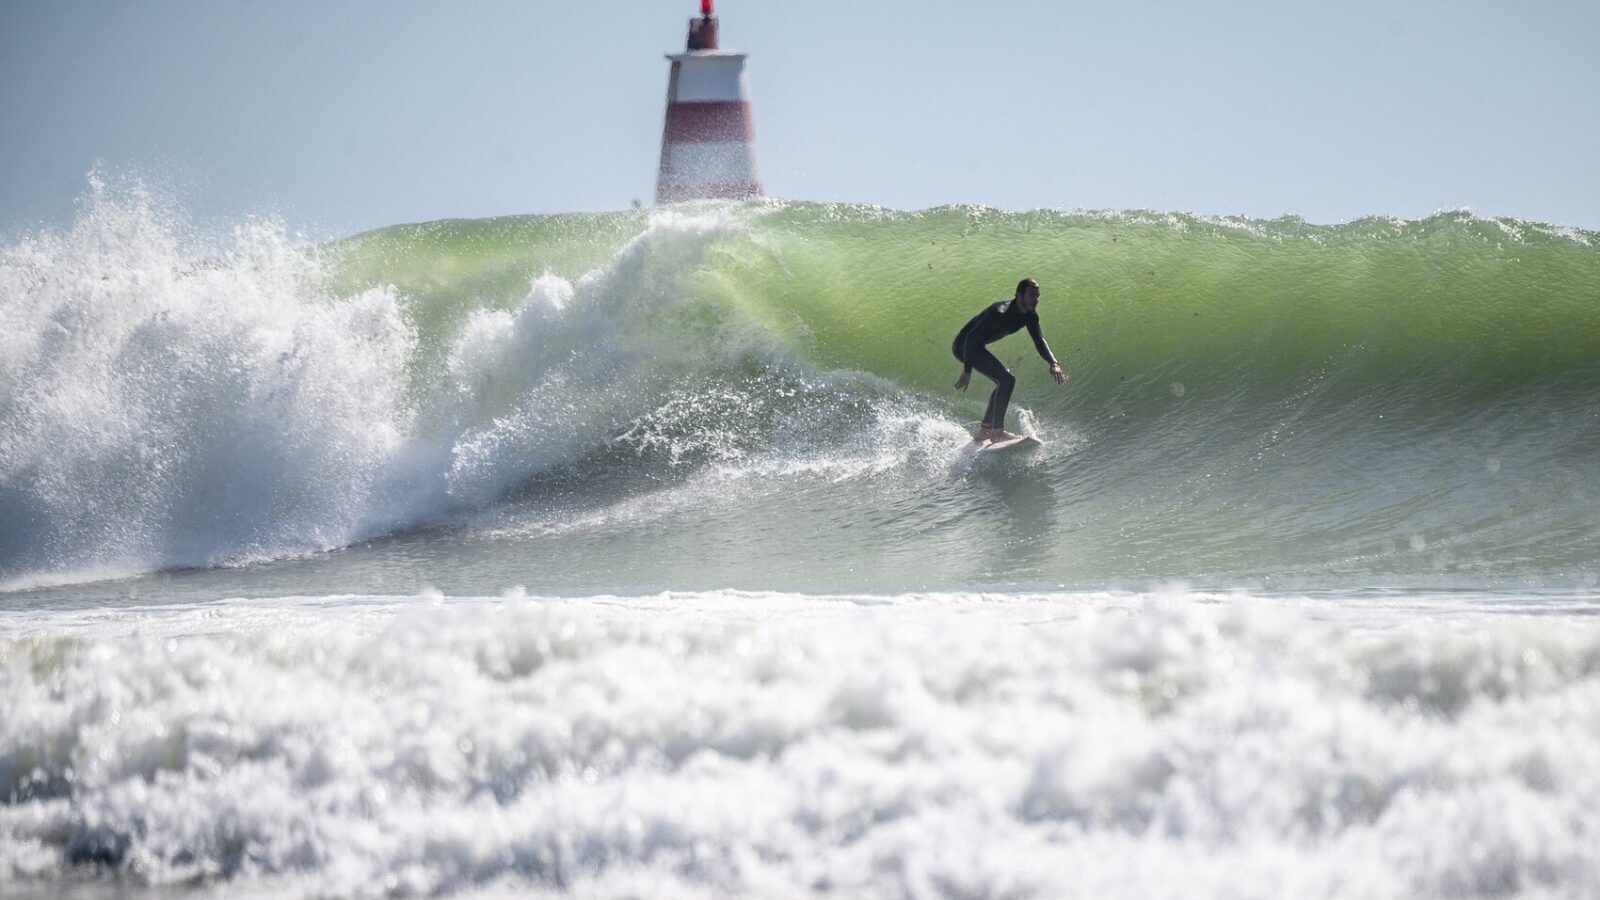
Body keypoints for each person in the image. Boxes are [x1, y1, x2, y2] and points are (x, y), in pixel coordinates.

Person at [952, 278, 1066, 442]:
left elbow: (1039, 340)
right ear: (1019, 295)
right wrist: (967, 371)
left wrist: (1053, 363)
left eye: (1037, 296)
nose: (1036, 300)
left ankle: (985, 430)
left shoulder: (1030, 317)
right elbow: (970, 338)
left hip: (976, 346)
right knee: (1007, 380)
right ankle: (996, 432)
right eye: (1032, 295)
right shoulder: (999, 312)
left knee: (1004, 381)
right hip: (964, 346)